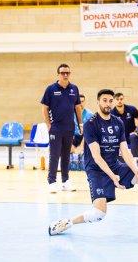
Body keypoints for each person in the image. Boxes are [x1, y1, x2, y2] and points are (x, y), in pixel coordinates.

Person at [48, 89, 138, 236]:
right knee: (98, 214)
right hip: (97, 170)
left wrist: (136, 171)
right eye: (104, 100)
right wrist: (112, 177)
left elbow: (125, 150)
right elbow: (96, 156)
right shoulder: (90, 124)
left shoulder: (118, 123)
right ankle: (67, 223)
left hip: (115, 166)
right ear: (98, 102)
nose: (108, 104)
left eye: (110, 101)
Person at [41, 63, 82, 193]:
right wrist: (48, 124)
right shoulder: (51, 89)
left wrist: (80, 124)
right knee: (54, 155)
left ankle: (65, 181)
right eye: (63, 73)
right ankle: (52, 181)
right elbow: (44, 108)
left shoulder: (74, 89)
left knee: (66, 155)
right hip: (56, 128)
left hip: (69, 128)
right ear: (58, 74)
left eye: (67, 73)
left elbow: (77, 108)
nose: (65, 75)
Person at [112, 92, 138, 160]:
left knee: (133, 136)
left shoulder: (131, 109)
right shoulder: (112, 113)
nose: (119, 101)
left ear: (124, 100)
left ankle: (135, 160)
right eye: (117, 99)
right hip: (119, 137)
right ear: (114, 101)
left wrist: (136, 130)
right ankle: (116, 162)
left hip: (130, 135)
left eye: (121, 99)